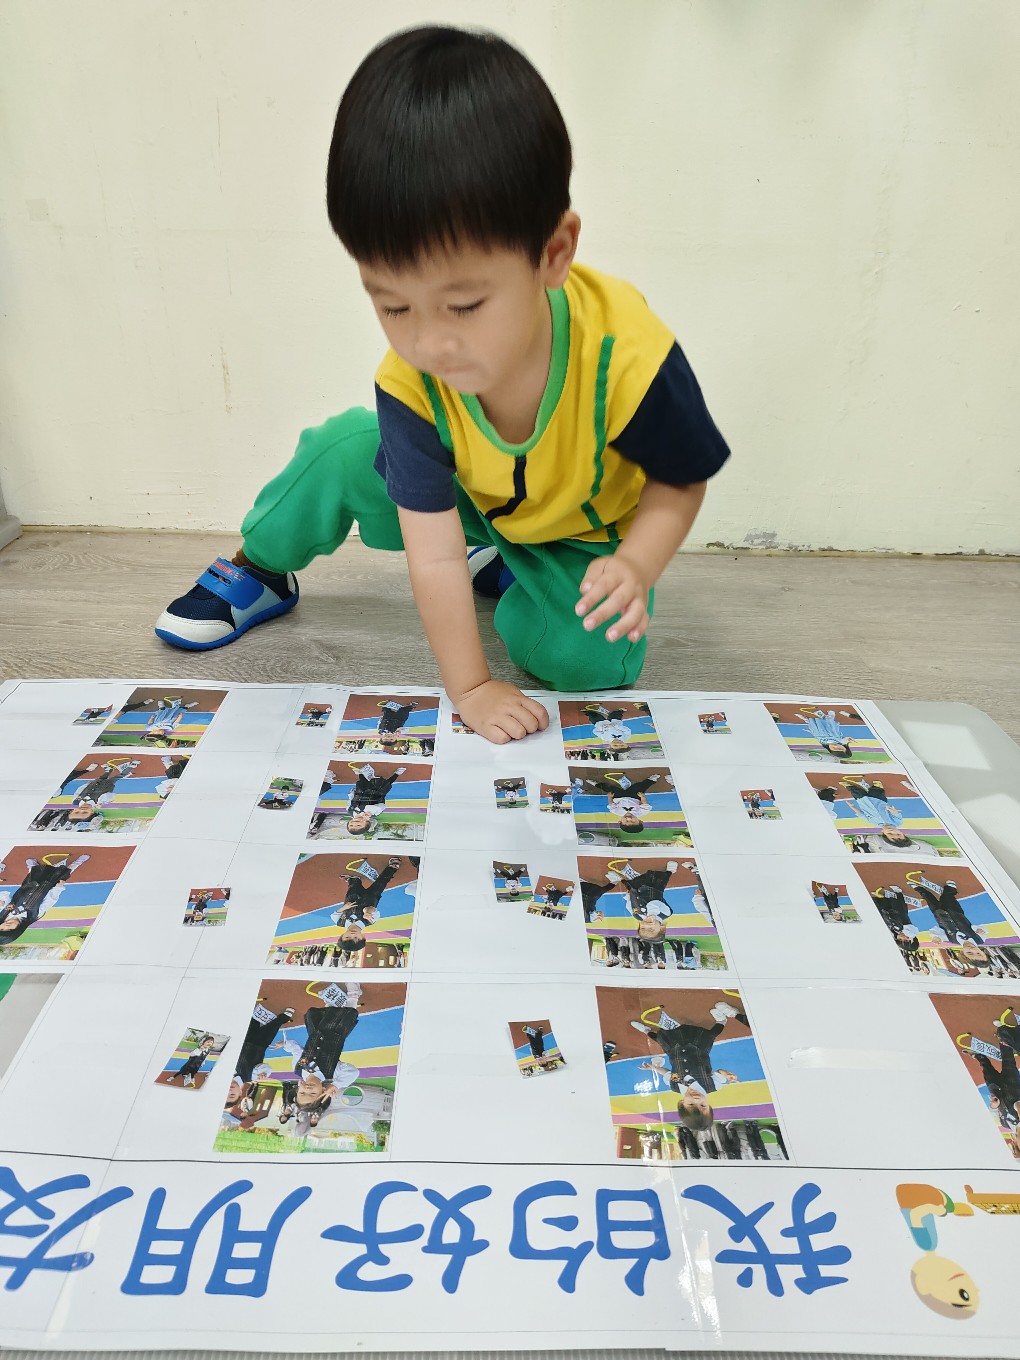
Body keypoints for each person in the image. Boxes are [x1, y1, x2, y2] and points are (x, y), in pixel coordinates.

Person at [153, 26, 729, 743]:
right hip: (467, 500)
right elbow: (432, 552)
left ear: (553, 252)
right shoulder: (412, 382)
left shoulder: (627, 354)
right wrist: (471, 686)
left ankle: (517, 570)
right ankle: (260, 567)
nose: (428, 345)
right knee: (339, 453)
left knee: (591, 663)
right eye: (394, 306)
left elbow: (680, 481)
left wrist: (637, 565)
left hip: (578, 533)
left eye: (464, 305)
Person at [630, 1000, 746, 1131]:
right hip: (699, 1048)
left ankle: (646, 1031)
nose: (696, 1099)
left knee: (660, 1040)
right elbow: (720, 1072)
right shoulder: (712, 1085)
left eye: (691, 1104)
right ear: (709, 1105)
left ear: (682, 1103)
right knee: (710, 1035)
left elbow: (668, 1073)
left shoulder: (675, 1085)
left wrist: (653, 1067)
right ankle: (721, 1021)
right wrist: (727, 1074)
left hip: (675, 1050)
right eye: (702, 1105)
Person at [0, 853, 90, 945]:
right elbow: (50, 900)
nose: (6, 925)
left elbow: (8, 899)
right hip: (45, 887)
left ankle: (32, 867)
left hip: (27, 887)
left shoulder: (4, 913)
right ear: (17, 930)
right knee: (62, 873)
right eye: (9, 929)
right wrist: (58, 887)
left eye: (2, 928)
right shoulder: (34, 914)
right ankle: (78, 862)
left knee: (32, 876)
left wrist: (3, 901)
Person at [577, 772, 662, 834]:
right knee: (639, 787)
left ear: (620, 821)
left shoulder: (616, 812)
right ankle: (651, 780)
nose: (629, 819)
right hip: (633, 796)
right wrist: (642, 797)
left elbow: (611, 805)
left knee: (609, 789)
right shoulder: (642, 812)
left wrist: (610, 797)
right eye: (632, 821)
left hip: (619, 797)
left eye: (626, 821)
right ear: (640, 821)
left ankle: (597, 784)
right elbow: (645, 805)